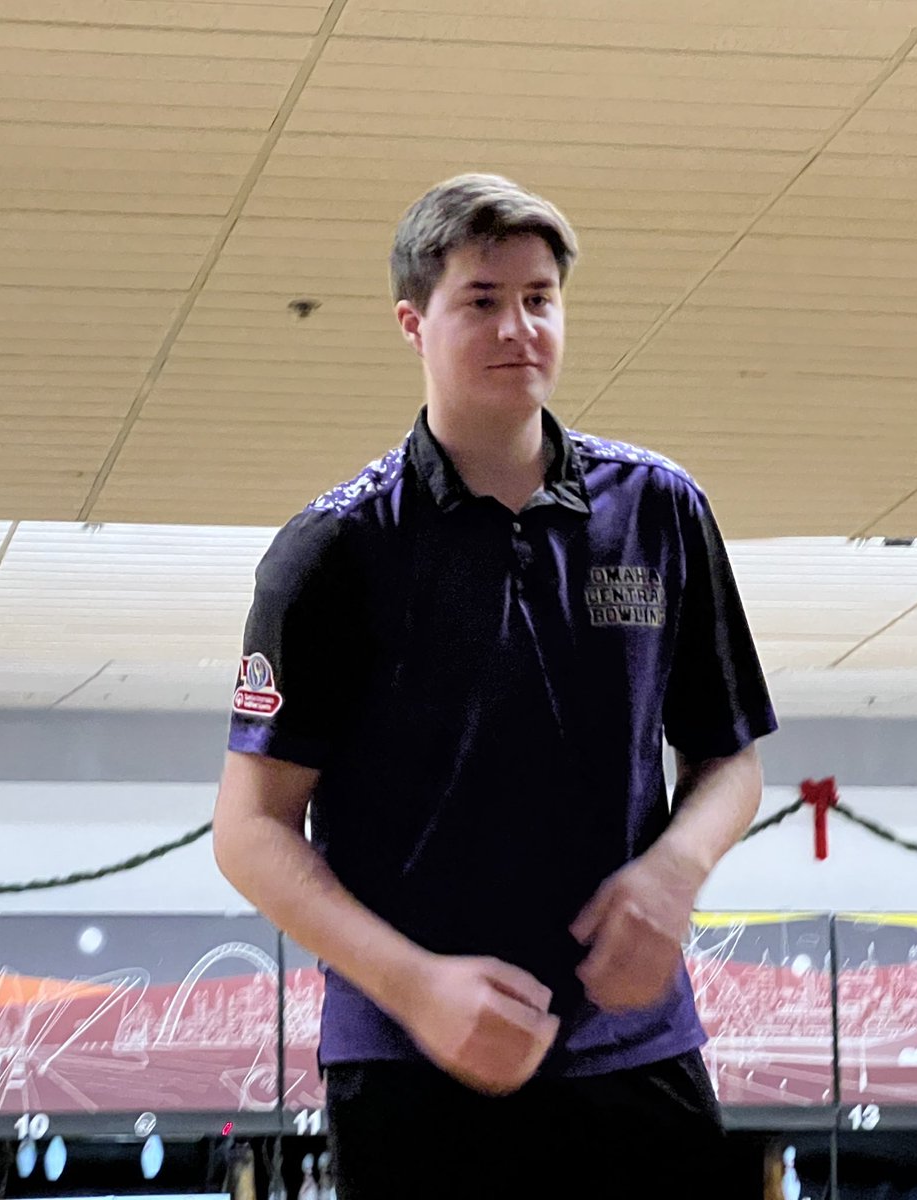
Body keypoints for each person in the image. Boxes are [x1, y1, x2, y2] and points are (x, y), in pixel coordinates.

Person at [213, 173, 777, 1198]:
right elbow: (249, 831)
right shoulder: (333, 552)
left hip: (635, 1049)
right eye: (482, 300)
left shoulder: (659, 511)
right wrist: (415, 986)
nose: (518, 326)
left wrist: (674, 872)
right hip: (411, 1060)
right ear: (411, 323)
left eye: (540, 298)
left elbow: (729, 758)